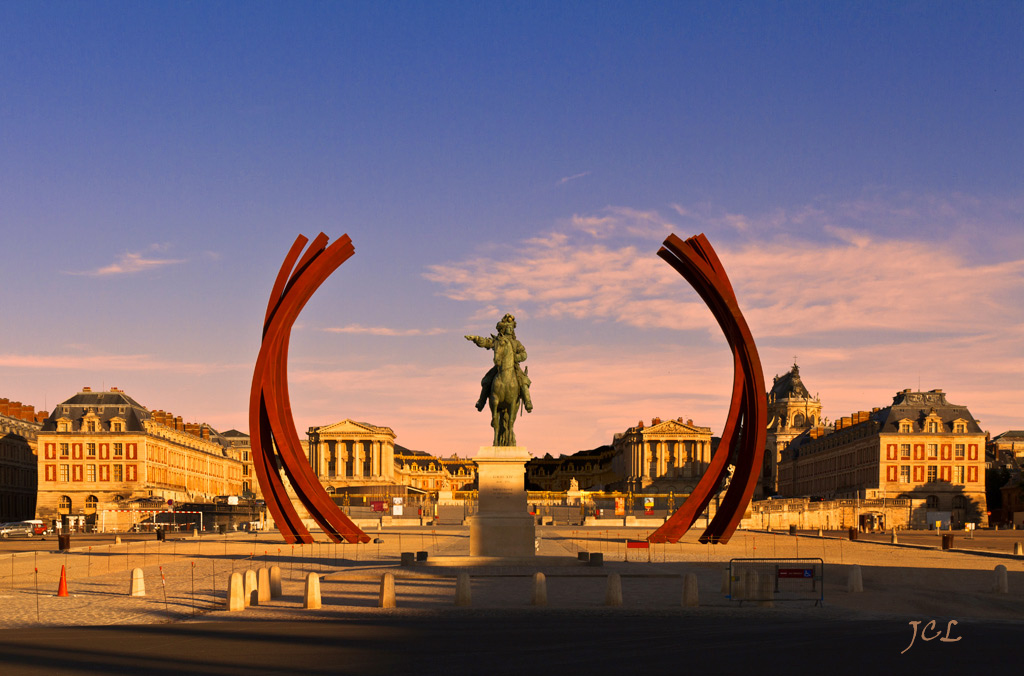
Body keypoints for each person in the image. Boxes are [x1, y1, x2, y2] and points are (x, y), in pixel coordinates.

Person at [465, 313, 533, 413]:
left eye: (511, 327)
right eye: (508, 327)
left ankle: (528, 401)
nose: (510, 329)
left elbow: (524, 354)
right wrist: (476, 339)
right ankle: (481, 401)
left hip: (513, 367)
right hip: (499, 367)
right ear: (503, 328)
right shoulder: (498, 340)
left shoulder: (516, 343)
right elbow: (486, 342)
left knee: (524, 381)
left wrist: (516, 357)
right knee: (487, 380)